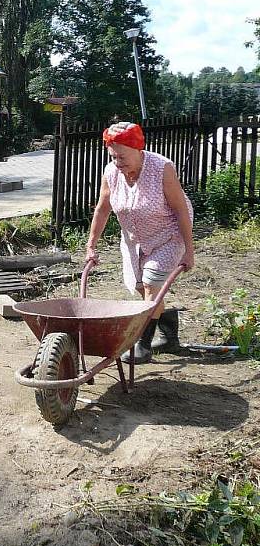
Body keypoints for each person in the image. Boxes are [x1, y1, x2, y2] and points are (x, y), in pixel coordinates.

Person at [85, 122, 194, 364]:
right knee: (140, 288)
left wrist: (189, 249)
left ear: (138, 148)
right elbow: (102, 210)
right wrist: (91, 245)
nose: (118, 162)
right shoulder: (112, 173)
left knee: (150, 285)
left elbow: (180, 211)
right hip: (134, 240)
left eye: (122, 156)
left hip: (169, 234)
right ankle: (169, 330)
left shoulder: (162, 168)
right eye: (113, 156)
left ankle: (142, 345)